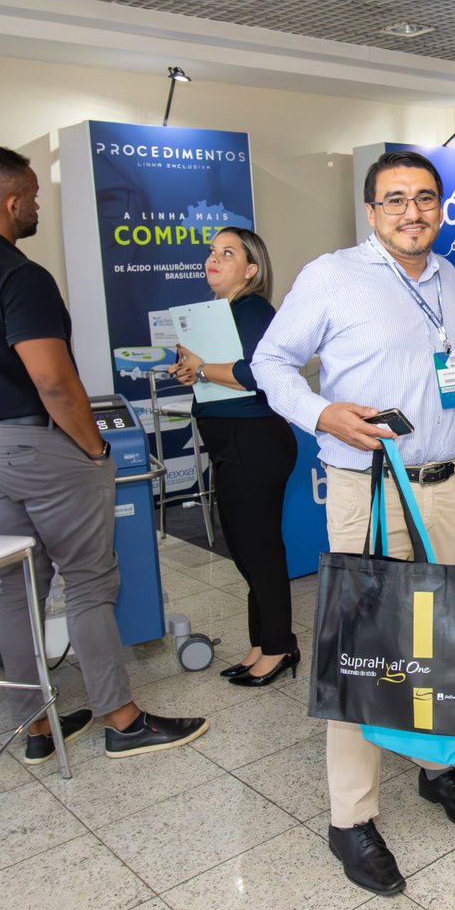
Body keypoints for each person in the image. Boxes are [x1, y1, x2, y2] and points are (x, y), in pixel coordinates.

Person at [251, 149, 455, 897]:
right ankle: (350, 817)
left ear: (441, 209)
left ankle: (434, 768)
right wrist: (321, 412)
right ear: (371, 211)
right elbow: (270, 361)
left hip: (446, 487)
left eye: (425, 198)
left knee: (432, 640)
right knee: (363, 651)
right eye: (395, 199)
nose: (412, 212)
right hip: (371, 489)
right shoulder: (333, 276)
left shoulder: (448, 276)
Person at [0, 146, 209, 763]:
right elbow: (53, 381)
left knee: (20, 585)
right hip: (38, 445)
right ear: (11, 202)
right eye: (33, 197)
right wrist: (94, 448)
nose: (37, 208)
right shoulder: (19, 275)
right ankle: (122, 720)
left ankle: (37, 725)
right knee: (89, 582)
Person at [167, 227, 298, 687]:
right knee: (244, 549)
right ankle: (262, 642)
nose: (214, 259)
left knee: (260, 551)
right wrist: (193, 372)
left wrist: (202, 368)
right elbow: (218, 375)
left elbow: (256, 373)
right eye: (212, 252)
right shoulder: (220, 315)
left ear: (250, 270)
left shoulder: (254, 308)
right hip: (229, 441)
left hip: (253, 440)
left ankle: (279, 646)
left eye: (227, 253)